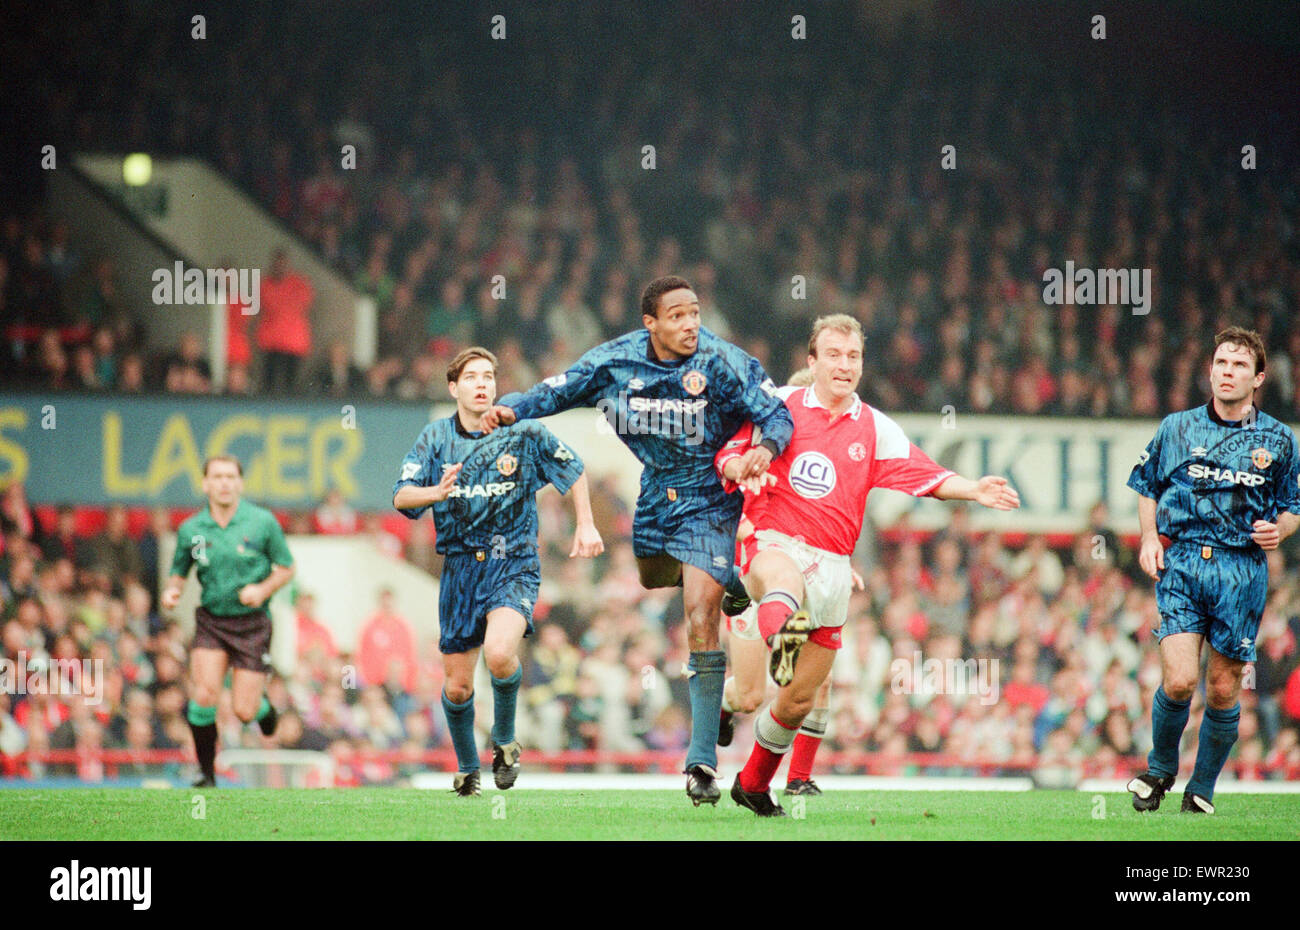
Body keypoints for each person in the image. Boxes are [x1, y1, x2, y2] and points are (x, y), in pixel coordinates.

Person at [481, 275, 793, 806]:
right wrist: (513, 408)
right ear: (650, 323)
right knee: (654, 578)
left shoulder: (722, 362)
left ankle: (700, 764)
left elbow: (776, 413)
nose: (691, 323)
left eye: (694, 312)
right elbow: (560, 388)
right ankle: (727, 578)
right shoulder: (616, 361)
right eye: (677, 316)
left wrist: (765, 446)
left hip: (713, 496)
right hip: (654, 495)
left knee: (700, 614)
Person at [718, 314, 1020, 815]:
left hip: (835, 567)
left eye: (853, 356)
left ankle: (752, 783)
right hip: (775, 542)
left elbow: (922, 474)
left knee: (797, 700)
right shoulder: (780, 405)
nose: (844, 364)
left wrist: (973, 489)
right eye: (833, 355)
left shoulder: (876, 427)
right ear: (811, 362)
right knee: (781, 580)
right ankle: (782, 636)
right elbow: (728, 446)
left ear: (862, 364)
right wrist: (733, 465)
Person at [394, 346, 603, 796]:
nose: (483, 383)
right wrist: (436, 491)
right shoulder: (435, 439)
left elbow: (575, 468)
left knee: (501, 652)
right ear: (454, 387)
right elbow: (401, 497)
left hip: (514, 562)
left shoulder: (523, 432)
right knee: (456, 688)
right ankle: (468, 767)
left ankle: (505, 741)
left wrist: (585, 523)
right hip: (460, 569)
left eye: (488, 375)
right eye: (471, 377)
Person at [1126, 326, 1300, 814]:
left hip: (1240, 569)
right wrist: (1146, 537)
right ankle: (1159, 768)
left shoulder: (1279, 440)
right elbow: (1146, 485)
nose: (1228, 372)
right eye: (1221, 363)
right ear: (1210, 370)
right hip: (1182, 561)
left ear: (1259, 377)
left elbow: (1294, 505)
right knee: (1180, 680)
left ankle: (1200, 789)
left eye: (1240, 365)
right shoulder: (1176, 427)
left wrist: (1280, 531)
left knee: (1223, 687)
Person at [161, 455, 295, 787]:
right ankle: (206, 775)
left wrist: (262, 589)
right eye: (217, 477)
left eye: (230, 477)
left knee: (244, 711)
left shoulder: (261, 522)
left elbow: (286, 567)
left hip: (252, 624)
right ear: (205, 484)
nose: (224, 483)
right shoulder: (192, 530)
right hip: (212, 621)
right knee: (204, 695)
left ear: (240, 484)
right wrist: (172, 591)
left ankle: (262, 708)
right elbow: (179, 572)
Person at [257, 248, 315, 392]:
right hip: (271, 342)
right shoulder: (265, 285)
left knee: (291, 383)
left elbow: (302, 304)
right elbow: (268, 305)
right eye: (277, 263)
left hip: (293, 343)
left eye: (282, 263)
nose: (280, 267)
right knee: (268, 382)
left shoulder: (299, 284)